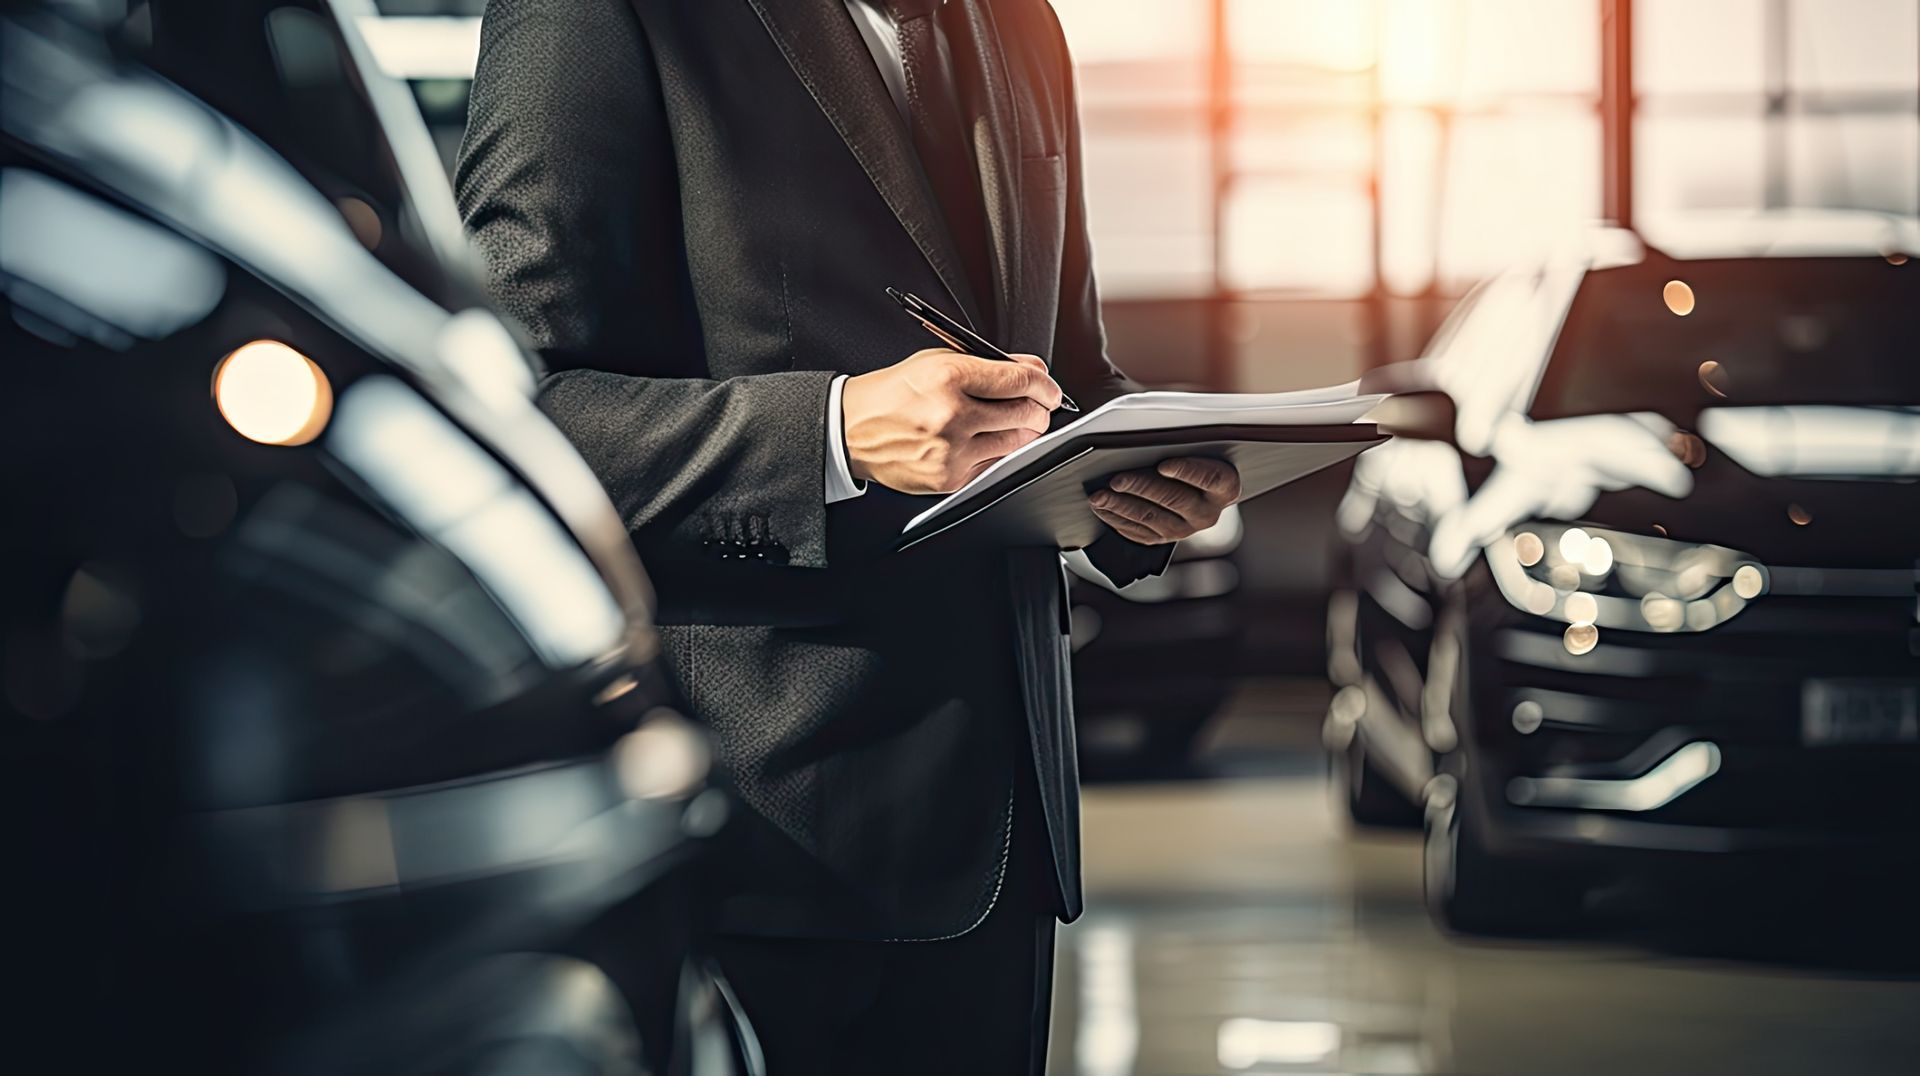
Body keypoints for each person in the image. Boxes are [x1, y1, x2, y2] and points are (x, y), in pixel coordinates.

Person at [455, 1, 1240, 1070]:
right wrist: (829, 431)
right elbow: (506, 411)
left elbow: (1063, 374)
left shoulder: (1023, 27)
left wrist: (1142, 471)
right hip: (757, 836)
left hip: (1004, 841)